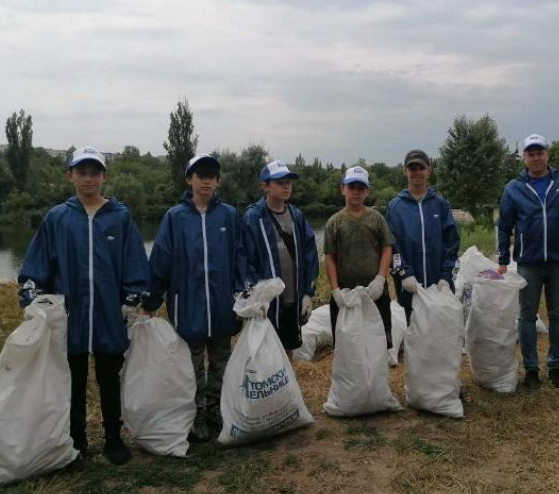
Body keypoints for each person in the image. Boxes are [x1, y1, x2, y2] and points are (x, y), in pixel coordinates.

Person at [18, 146, 149, 464]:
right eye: (82, 172)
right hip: (69, 316)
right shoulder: (58, 218)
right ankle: (76, 442)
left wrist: (132, 300)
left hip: (108, 314)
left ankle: (114, 439)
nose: (88, 178)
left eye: (95, 172)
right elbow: (37, 265)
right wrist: (32, 298)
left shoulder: (120, 217)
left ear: (104, 176)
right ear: (70, 175)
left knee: (109, 378)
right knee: (72, 381)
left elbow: (134, 262)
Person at [141, 154, 247, 441]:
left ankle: (218, 411)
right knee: (191, 368)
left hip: (223, 307)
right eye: (200, 175)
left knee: (222, 364)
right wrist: (152, 300)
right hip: (188, 308)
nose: (206, 181)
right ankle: (196, 415)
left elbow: (239, 257)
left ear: (218, 181)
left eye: (211, 176)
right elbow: (161, 259)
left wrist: (244, 294)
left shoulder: (227, 215)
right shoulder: (175, 217)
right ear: (189, 179)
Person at [496, 134, 559, 389]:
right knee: (526, 316)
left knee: (558, 316)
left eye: (540, 152)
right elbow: (504, 225)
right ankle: (530, 369)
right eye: (531, 153)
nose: (536, 157)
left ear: (548, 155)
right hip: (528, 262)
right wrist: (503, 260)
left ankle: (555, 366)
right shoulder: (513, 188)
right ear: (524, 158)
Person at [241, 160, 319, 355]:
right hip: (267, 304)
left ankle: (288, 386)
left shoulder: (296, 216)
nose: (286, 186)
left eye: (289, 182)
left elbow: (310, 253)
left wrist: (308, 292)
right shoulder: (253, 217)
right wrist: (254, 297)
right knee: (266, 353)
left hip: (293, 299)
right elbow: (245, 260)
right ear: (265, 186)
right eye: (280, 182)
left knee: (288, 350)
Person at [386, 149, 460, 324]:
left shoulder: (440, 204)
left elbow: (452, 242)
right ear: (405, 172)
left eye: (421, 167)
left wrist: (446, 275)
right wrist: (404, 273)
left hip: (438, 284)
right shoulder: (395, 206)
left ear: (429, 170)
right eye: (412, 168)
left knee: (439, 331)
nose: (417, 172)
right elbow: (390, 246)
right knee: (414, 333)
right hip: (409, 285)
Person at [324, 166, 394, 348]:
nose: (356, 192)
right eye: (351, 187)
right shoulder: (334, 222)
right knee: (347, 347)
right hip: (346, 296)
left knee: (378, 345)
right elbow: (329, 257)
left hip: (376, 294)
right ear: (342, 189)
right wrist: (335, 290)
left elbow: (387, 248)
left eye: (360, 188)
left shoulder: (377, 218)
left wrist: (381, 278)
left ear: (367, 191)